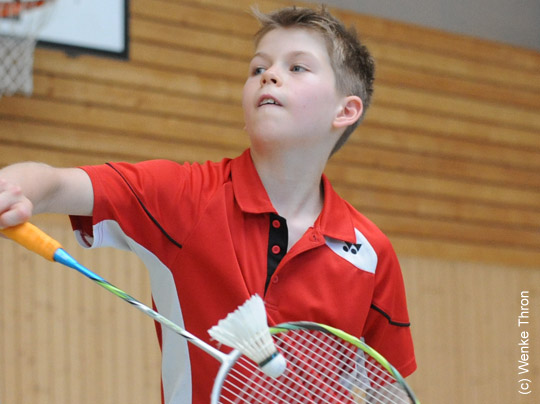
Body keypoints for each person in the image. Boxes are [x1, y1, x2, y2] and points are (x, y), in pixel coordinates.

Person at [0, 5, 416, 404]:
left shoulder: (370, 252)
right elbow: (55, 182)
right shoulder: (185, 196)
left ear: (345, 110)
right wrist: (15, 188)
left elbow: (388, 388)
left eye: (297, 67)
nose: (270, 75)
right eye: (259, 68)